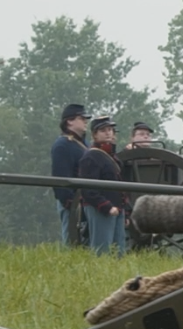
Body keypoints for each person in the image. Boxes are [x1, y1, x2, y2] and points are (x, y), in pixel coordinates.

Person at [75, 118, 129, 254]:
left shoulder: (113, 157)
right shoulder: (91, 156)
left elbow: (120, 187)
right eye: (103, 130)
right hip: (100, 208)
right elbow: (88, 189)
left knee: (119, 251)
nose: (108, 133)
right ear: (94, 135)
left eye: (110, 130)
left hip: (117, 208)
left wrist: (125, 211)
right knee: (102, 250)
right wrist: (107, 206)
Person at [48, 103, 90, 247]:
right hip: (72, 202)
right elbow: (60, 177)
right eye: (81, 118)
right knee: (71, 239)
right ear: (70, 121)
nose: (85, 121)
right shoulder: (62, 145)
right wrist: (70, 203)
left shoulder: (84, 144)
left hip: (86, 200)